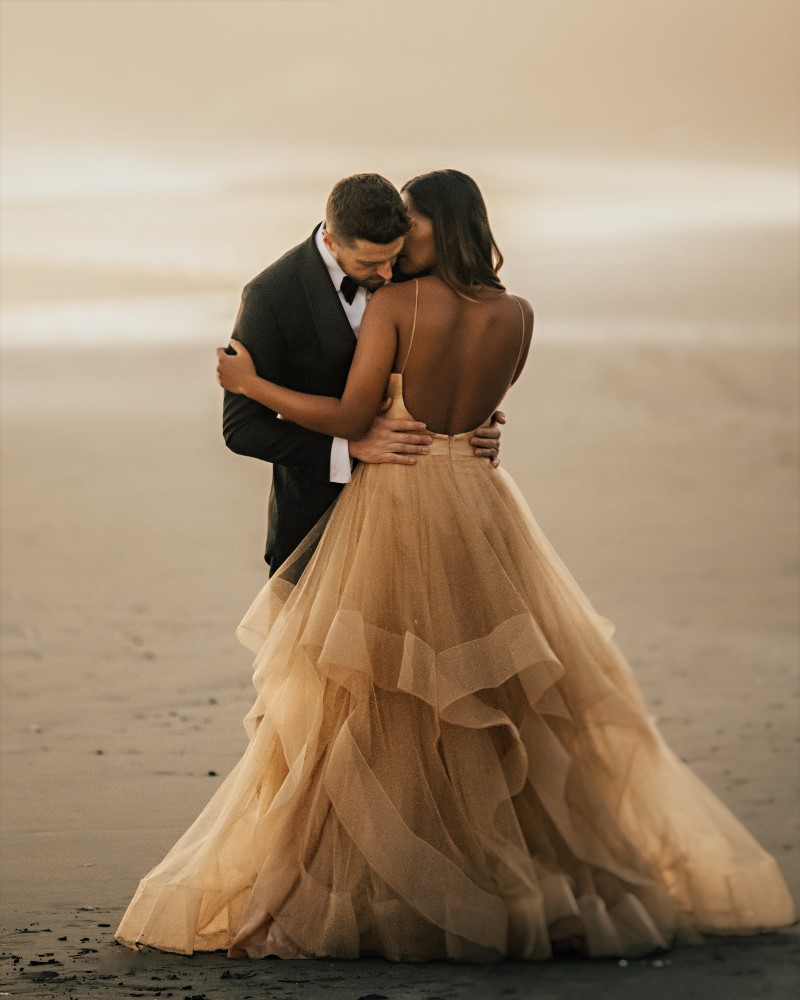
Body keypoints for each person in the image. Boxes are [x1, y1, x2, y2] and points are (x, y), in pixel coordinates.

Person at [115, 170, 796, 962]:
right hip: (480, 508)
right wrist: (462, 428)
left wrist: (252, 382)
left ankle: (373, 891)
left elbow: (351, 415)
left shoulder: (400, 304)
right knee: (483, 701)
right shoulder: (517, 312)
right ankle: (506, 883)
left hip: (397, 509)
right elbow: (480, 404)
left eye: (411, 222)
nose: (400, 240)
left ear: (439, 226)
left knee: (368, 705)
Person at [221, 172, 502, 575]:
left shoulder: (409, 266)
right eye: (371, 264)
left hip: (417, 516)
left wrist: (473, 424)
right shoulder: (271, 296)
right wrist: (347, 448)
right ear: (332, 241)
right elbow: (241, 429)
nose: (389, 274)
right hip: (316, 521)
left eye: (394, 257)